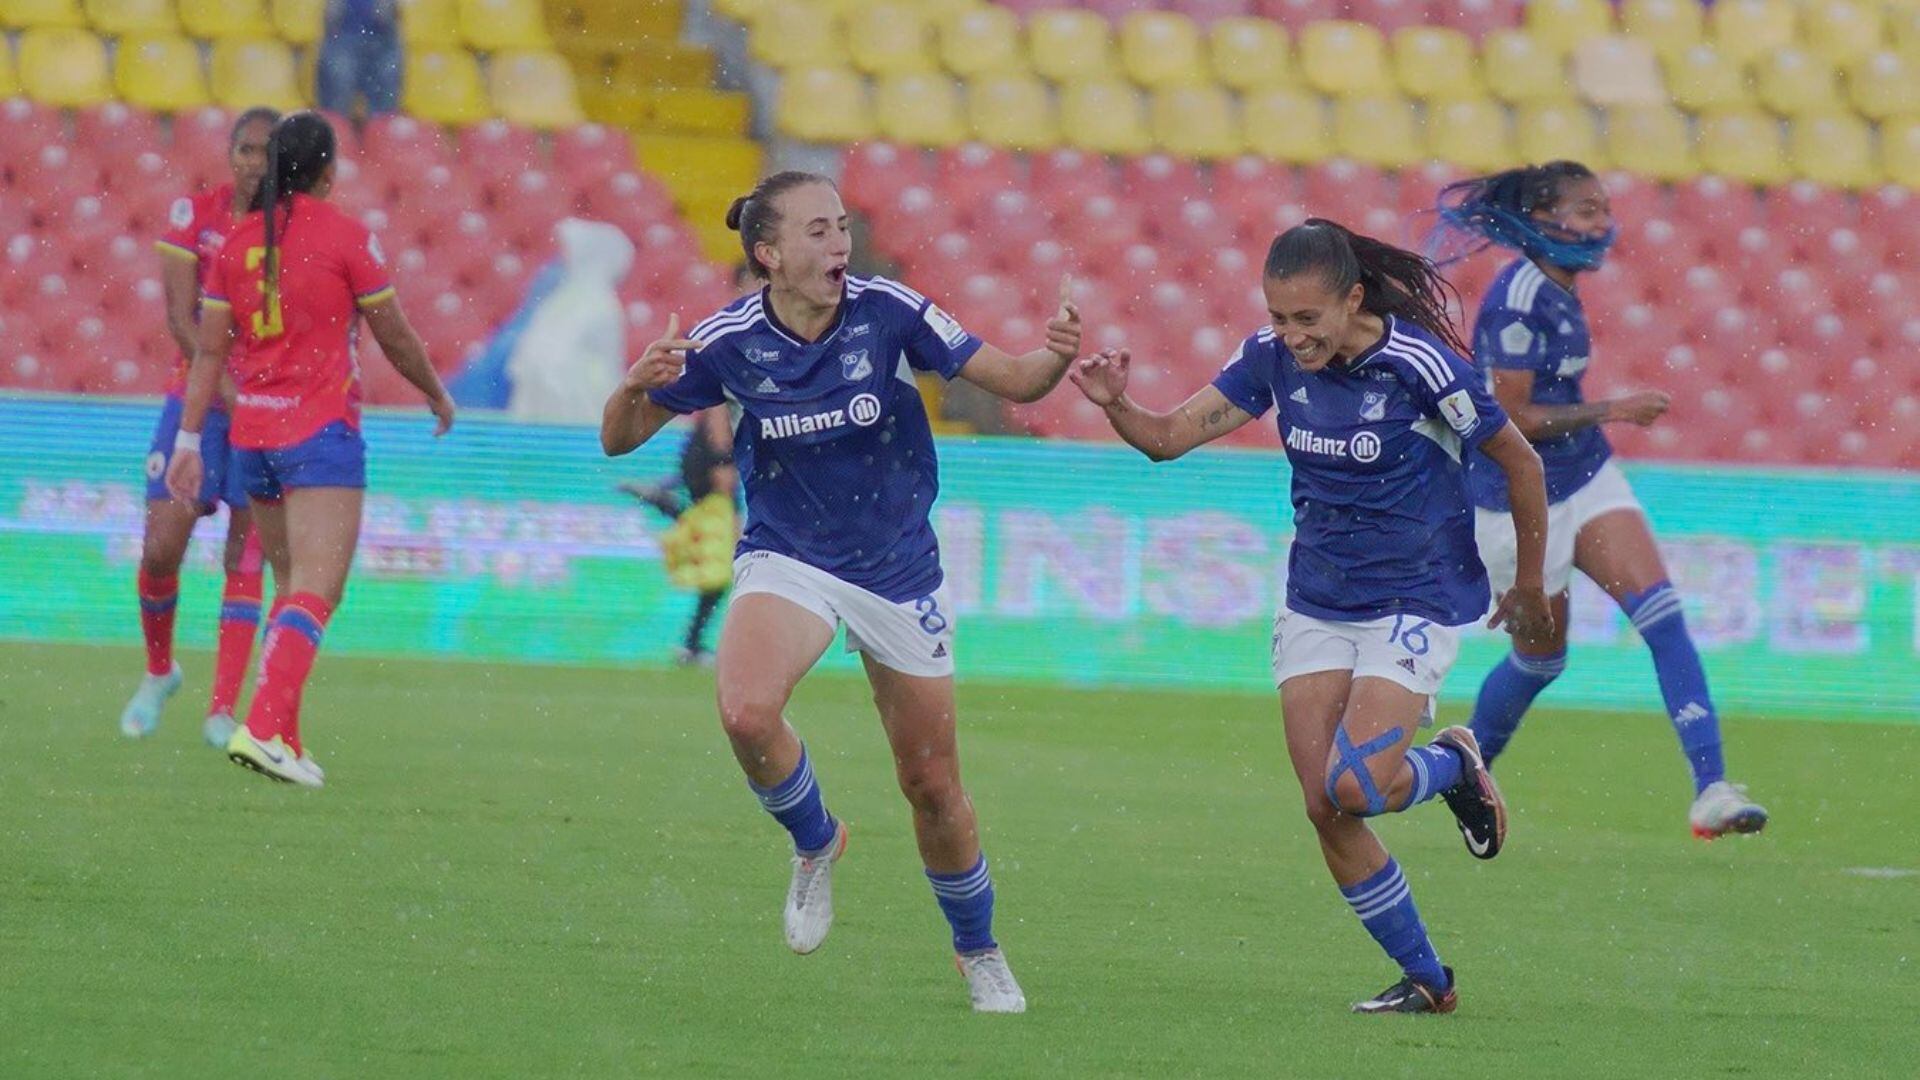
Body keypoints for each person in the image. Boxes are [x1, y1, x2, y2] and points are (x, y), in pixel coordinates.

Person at [600, 171, 1082, 1013]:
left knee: (931, 786)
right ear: (768, 253)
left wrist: (1058, 356)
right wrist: (635, 385)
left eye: (841, 227)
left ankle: (978, 949)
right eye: (817, 231)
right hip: (789, 556)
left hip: (896, 568)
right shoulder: (728, 340)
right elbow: (619, 438)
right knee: (745, 712)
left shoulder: (887, 311)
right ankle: (817, 839)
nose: (840, 245)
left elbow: (1014, 377)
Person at [1068, 219, 1552, 1014]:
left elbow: (1520, 462)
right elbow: (1167, 438)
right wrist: (1118, 404)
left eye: (1307, 318)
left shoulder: (1421, 366)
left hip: (1415, 596)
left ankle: (1452, 766)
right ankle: (1429, 982)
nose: (1292, 336)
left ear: (1353, 299)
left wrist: (1528, 583)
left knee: (1356, 787)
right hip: (1318, 601)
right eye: (1278, 317)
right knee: (1324, 804)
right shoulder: (1269, 359)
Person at [1427, 162, 1768, 839]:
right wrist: (1612, 408)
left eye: (1604, 209)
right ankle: (1462, 770)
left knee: (1663, 619)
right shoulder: (1518, 299)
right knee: (1541, 661)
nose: (1602, 224)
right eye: (1586, 210)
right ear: (1541, 219)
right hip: (1517, 501)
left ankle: (1712, 790)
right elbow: (1512, 419)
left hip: (1584, 475)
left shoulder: (1559, 286)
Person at [167, 112, 454, 788]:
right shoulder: (347, 237)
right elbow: (394, 334)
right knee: (319, 588)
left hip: (252, 437)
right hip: (319, 432)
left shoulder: (236, 242)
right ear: (329, 171)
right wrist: (435, 393)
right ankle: (263, 727)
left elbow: (209, 352)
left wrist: (188, 439)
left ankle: (286, 740)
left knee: (291, 584)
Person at [121, 106, 280, 748]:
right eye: (246, 149)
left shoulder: (291, 231)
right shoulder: (197, 215)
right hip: (197, 403)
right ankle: (160, 672)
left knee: (245, 552)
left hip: (263, 408)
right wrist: (229, 393)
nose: (254, 162)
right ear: (230, 153)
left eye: (267, 152)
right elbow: (181, 320)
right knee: (161, 548)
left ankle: (221, 709)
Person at [617, 403, 737, 665]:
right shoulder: (720, 408)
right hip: (712, 498)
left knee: (713, 576)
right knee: (718, 576)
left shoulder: (706, 419)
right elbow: (723, 462)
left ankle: (659, 498)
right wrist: (724, 466)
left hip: (699, 488)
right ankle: (694, 645)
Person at [316, 0, 401, 119]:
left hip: (382, 37)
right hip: (343, 35)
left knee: (385, 98)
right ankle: (337, 126)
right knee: (338, 92)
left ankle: (379, 126)